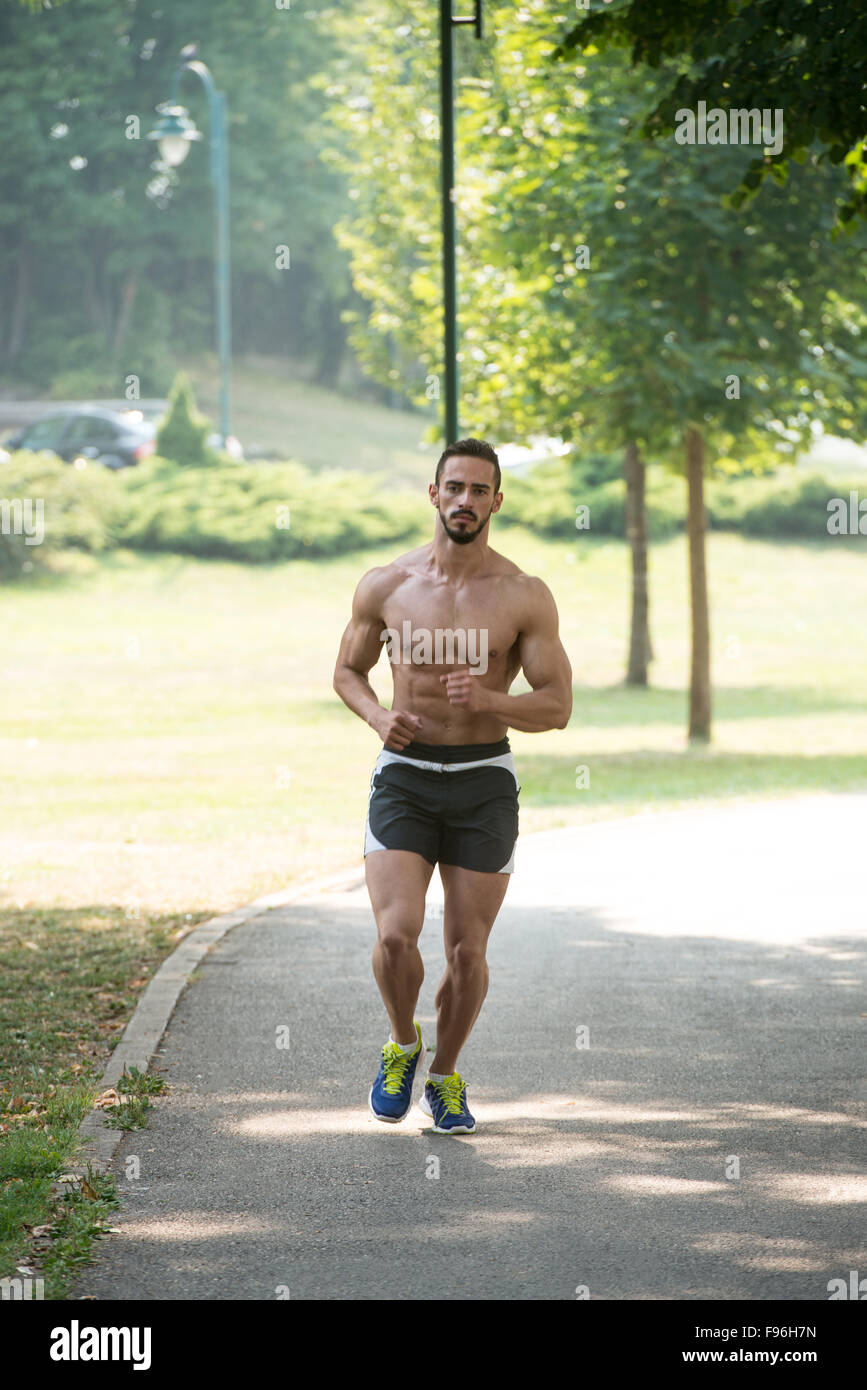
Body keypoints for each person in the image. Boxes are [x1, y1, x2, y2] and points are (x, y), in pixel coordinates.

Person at [333, 438, 572, 1133]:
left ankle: (444, 1075)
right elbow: (347, 672)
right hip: (404, 778)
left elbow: (555, 706)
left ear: (497, 501)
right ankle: (403, 1044)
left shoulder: (522, 595)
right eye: (454, 487)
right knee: (394, 937)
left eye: (479, 490)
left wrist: (492, 701)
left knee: (467, 952)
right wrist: (378, 715)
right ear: (433, 494)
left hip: (481, 784)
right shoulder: (386, 585)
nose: (465, 501)